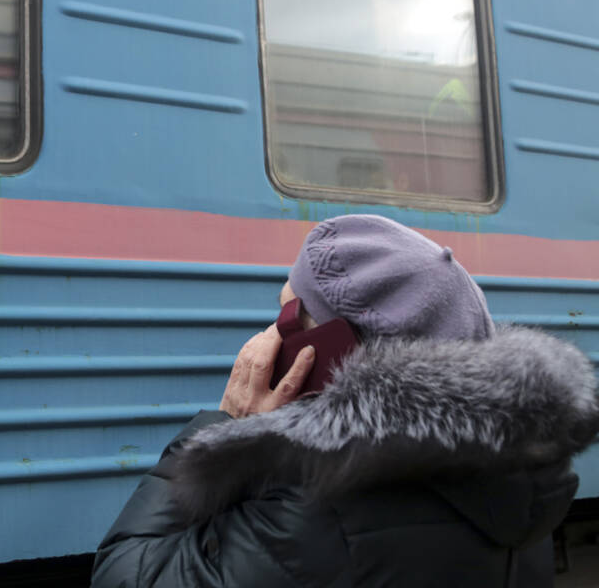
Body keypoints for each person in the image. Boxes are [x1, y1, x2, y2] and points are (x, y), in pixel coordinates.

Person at [92, 214, 599, 587]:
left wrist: (225, 432)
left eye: (289, 315)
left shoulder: (318, 513)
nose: (271, 331)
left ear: (338, 351)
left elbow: (126, 575)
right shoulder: (523, 474)